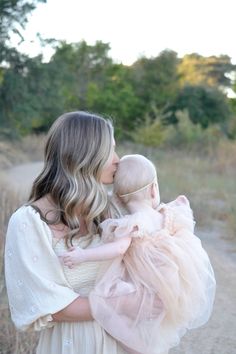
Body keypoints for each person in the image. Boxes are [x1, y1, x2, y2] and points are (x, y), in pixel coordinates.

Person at [4, 111, 132, 354]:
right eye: (109, 151)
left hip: (123, 342)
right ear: (84, 156)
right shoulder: (28, 222)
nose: (118, 159)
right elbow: (53, 307)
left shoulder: (111, 210)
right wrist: (126, 303)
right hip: (72, 345)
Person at [61, 154, 216, 354]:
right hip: (172, 281)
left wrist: (84, 255)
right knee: (153, 318)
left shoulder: (133, 223)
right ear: (153, 190)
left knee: (108, 307)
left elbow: (117, 249)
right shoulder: (166, 214)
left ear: (117, 198)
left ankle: (138, 348)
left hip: (147, 281)